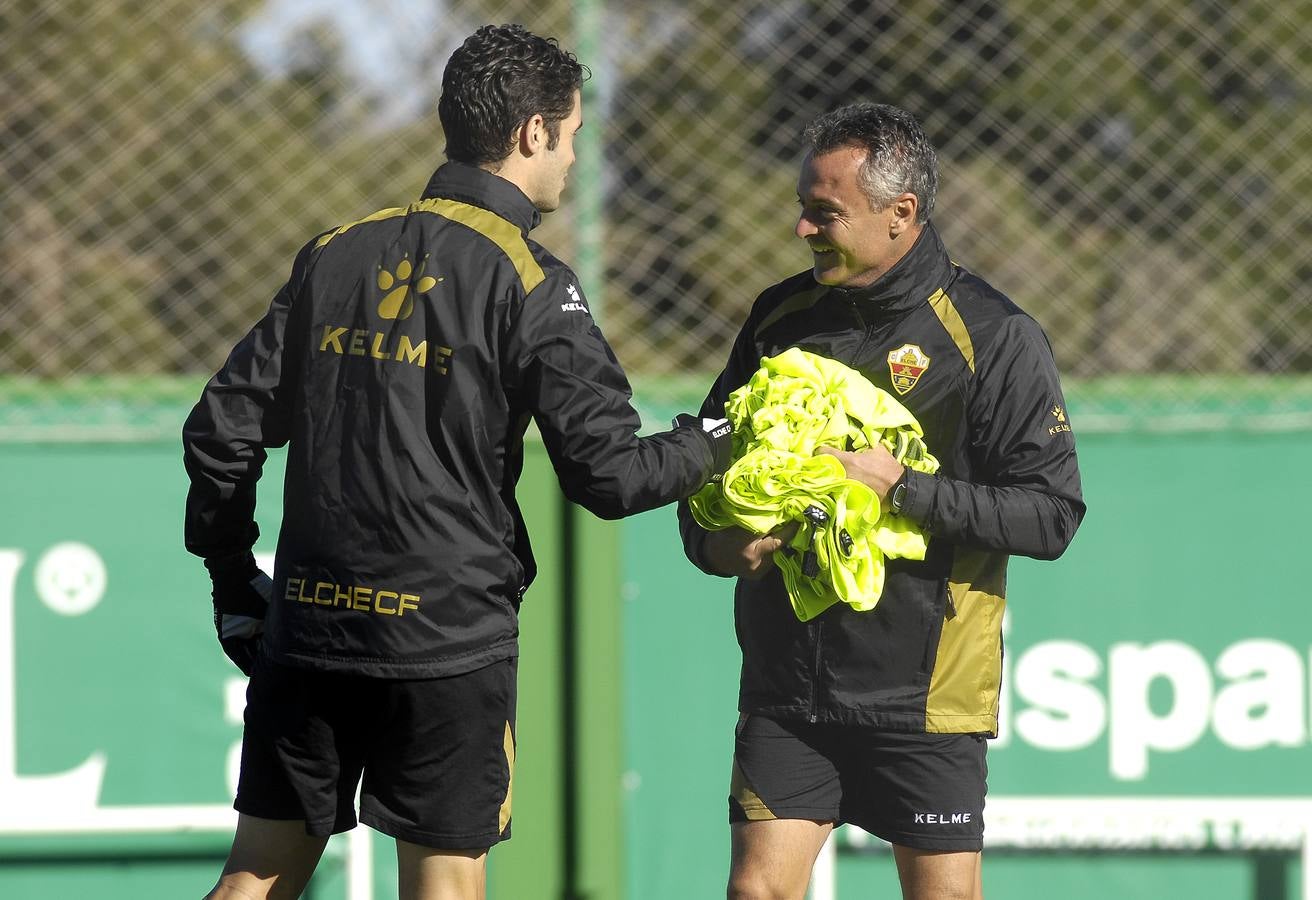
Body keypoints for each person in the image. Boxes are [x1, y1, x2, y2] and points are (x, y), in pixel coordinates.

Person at [182, 23, 730, 900]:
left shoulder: (337, 251)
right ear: (533, 133)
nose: (574, 160)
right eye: (574, 136)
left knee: (255, 877)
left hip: (310, 627)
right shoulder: (533, 282)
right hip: (446, 644)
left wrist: (233, 580)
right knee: (446, 884)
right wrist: (715, 442)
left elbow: (219, 430)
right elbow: (613, 476)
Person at [677, 102, 1085, 900]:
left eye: (824, 212)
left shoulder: (994, 336)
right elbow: (707, 465)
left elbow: (1050, 514)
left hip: (924, 693)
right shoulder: (779, 318)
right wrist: (720, 544)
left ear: (901, 214)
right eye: (802, 207)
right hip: (789, 682)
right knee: (756, 890)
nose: (802, 228)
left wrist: (902, 488)